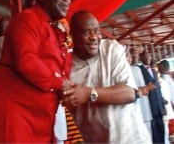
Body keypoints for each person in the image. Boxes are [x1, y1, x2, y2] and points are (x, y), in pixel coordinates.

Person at [0, 0, 73, 143]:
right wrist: (60, 83)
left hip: (38, 118)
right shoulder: (26, 19)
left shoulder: (53, 30)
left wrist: (70, 89)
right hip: (14, 116)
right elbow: (26, 60)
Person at [62, 10, 151, 143]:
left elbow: (128, 93)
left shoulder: (111, 49)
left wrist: (88, 93)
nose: (94, 37)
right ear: (72, 35)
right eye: (86, 32)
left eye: (97, 31)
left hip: (132, 138)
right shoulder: (66, 66)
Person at [139, 51, 165, 143]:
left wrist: (162, 105)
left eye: (149, 57)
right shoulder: (139, 70)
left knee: (161, 128)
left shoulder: (154, 70)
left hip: (158, 105)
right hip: (150, 105)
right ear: (141, 58)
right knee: (154, 131)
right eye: (145, 57)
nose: (148, 59)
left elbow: (159, 89)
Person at [127, 47, 154, 135]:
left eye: (136, 54)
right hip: (134, 108)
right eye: (132, 54)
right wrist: (145, 88)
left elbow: (145, 90)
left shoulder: (138, 69)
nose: (135, 56)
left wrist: (146, 88)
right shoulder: (125, 70)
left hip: (144, 106)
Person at [157, 60, 174, 144]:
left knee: (167, 133)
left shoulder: (164, 79)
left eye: (159, 66)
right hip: (170, 109)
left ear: (163, 67)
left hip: (167, 109)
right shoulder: (169, 79)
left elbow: (169, 97)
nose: (157, 68)